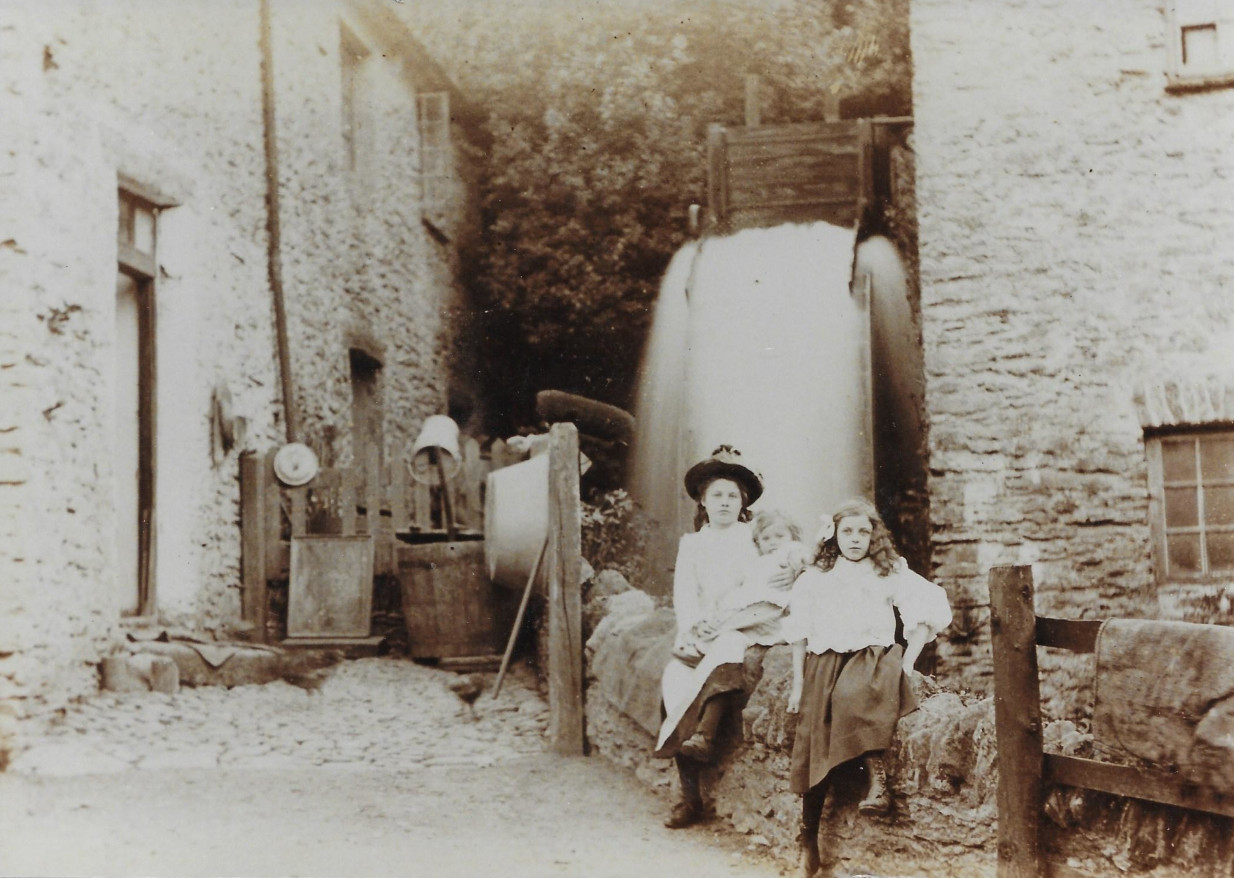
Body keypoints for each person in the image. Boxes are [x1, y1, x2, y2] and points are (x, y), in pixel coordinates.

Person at [783, 497, 952, 878]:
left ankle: (878, 780)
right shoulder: (815, 577)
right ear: (834, 536)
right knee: (815, 738)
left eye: (864, 532)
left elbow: (930, 606)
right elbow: (798, 633)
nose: (856, 539)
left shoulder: (888, 571)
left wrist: (907, 663)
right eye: (848, 532)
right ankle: (807, 840)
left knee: (851, 695)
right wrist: (797, 684)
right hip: (824, 662)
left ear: (874, 536)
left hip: (872, 659)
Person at [655, 445, 795, 829]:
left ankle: (706, 733)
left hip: (743, 624)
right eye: (716, 495)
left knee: (728, 647)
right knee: (676, 683)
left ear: (743, 502)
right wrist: (693, 626)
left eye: (732, 496)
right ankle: (689, 797)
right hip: (703, 626)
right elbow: (685, 594)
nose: (724, 503)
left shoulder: (754, 538)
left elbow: (783, 560)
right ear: (702, 500)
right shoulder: (692, 544)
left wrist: (793, 567)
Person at [671, 509, 810, 666]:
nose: (773, 542)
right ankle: (703, 648)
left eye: (779, 536)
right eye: (766, 538)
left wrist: (797, 570)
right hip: (757, 608)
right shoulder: (759, 561)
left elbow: (807, 559)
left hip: (774, 605)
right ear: (758, 542)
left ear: (792, 537)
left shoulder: (789, 550)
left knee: (731, 622)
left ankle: (699, 645)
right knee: (732, 620)